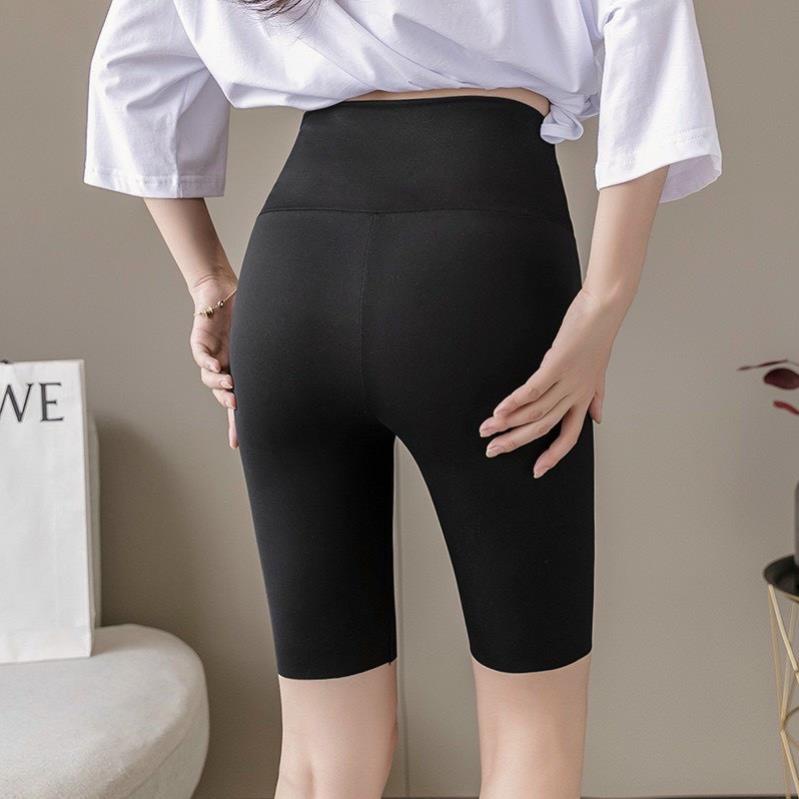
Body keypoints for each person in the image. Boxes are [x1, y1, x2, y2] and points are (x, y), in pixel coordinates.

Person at [82, 0, 722, 796]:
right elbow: (647, 24)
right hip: (485, 259)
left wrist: (210, 282)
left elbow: (131, 74)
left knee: (320, 761)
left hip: (294, 274)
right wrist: (601, 304)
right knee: (532, 734)